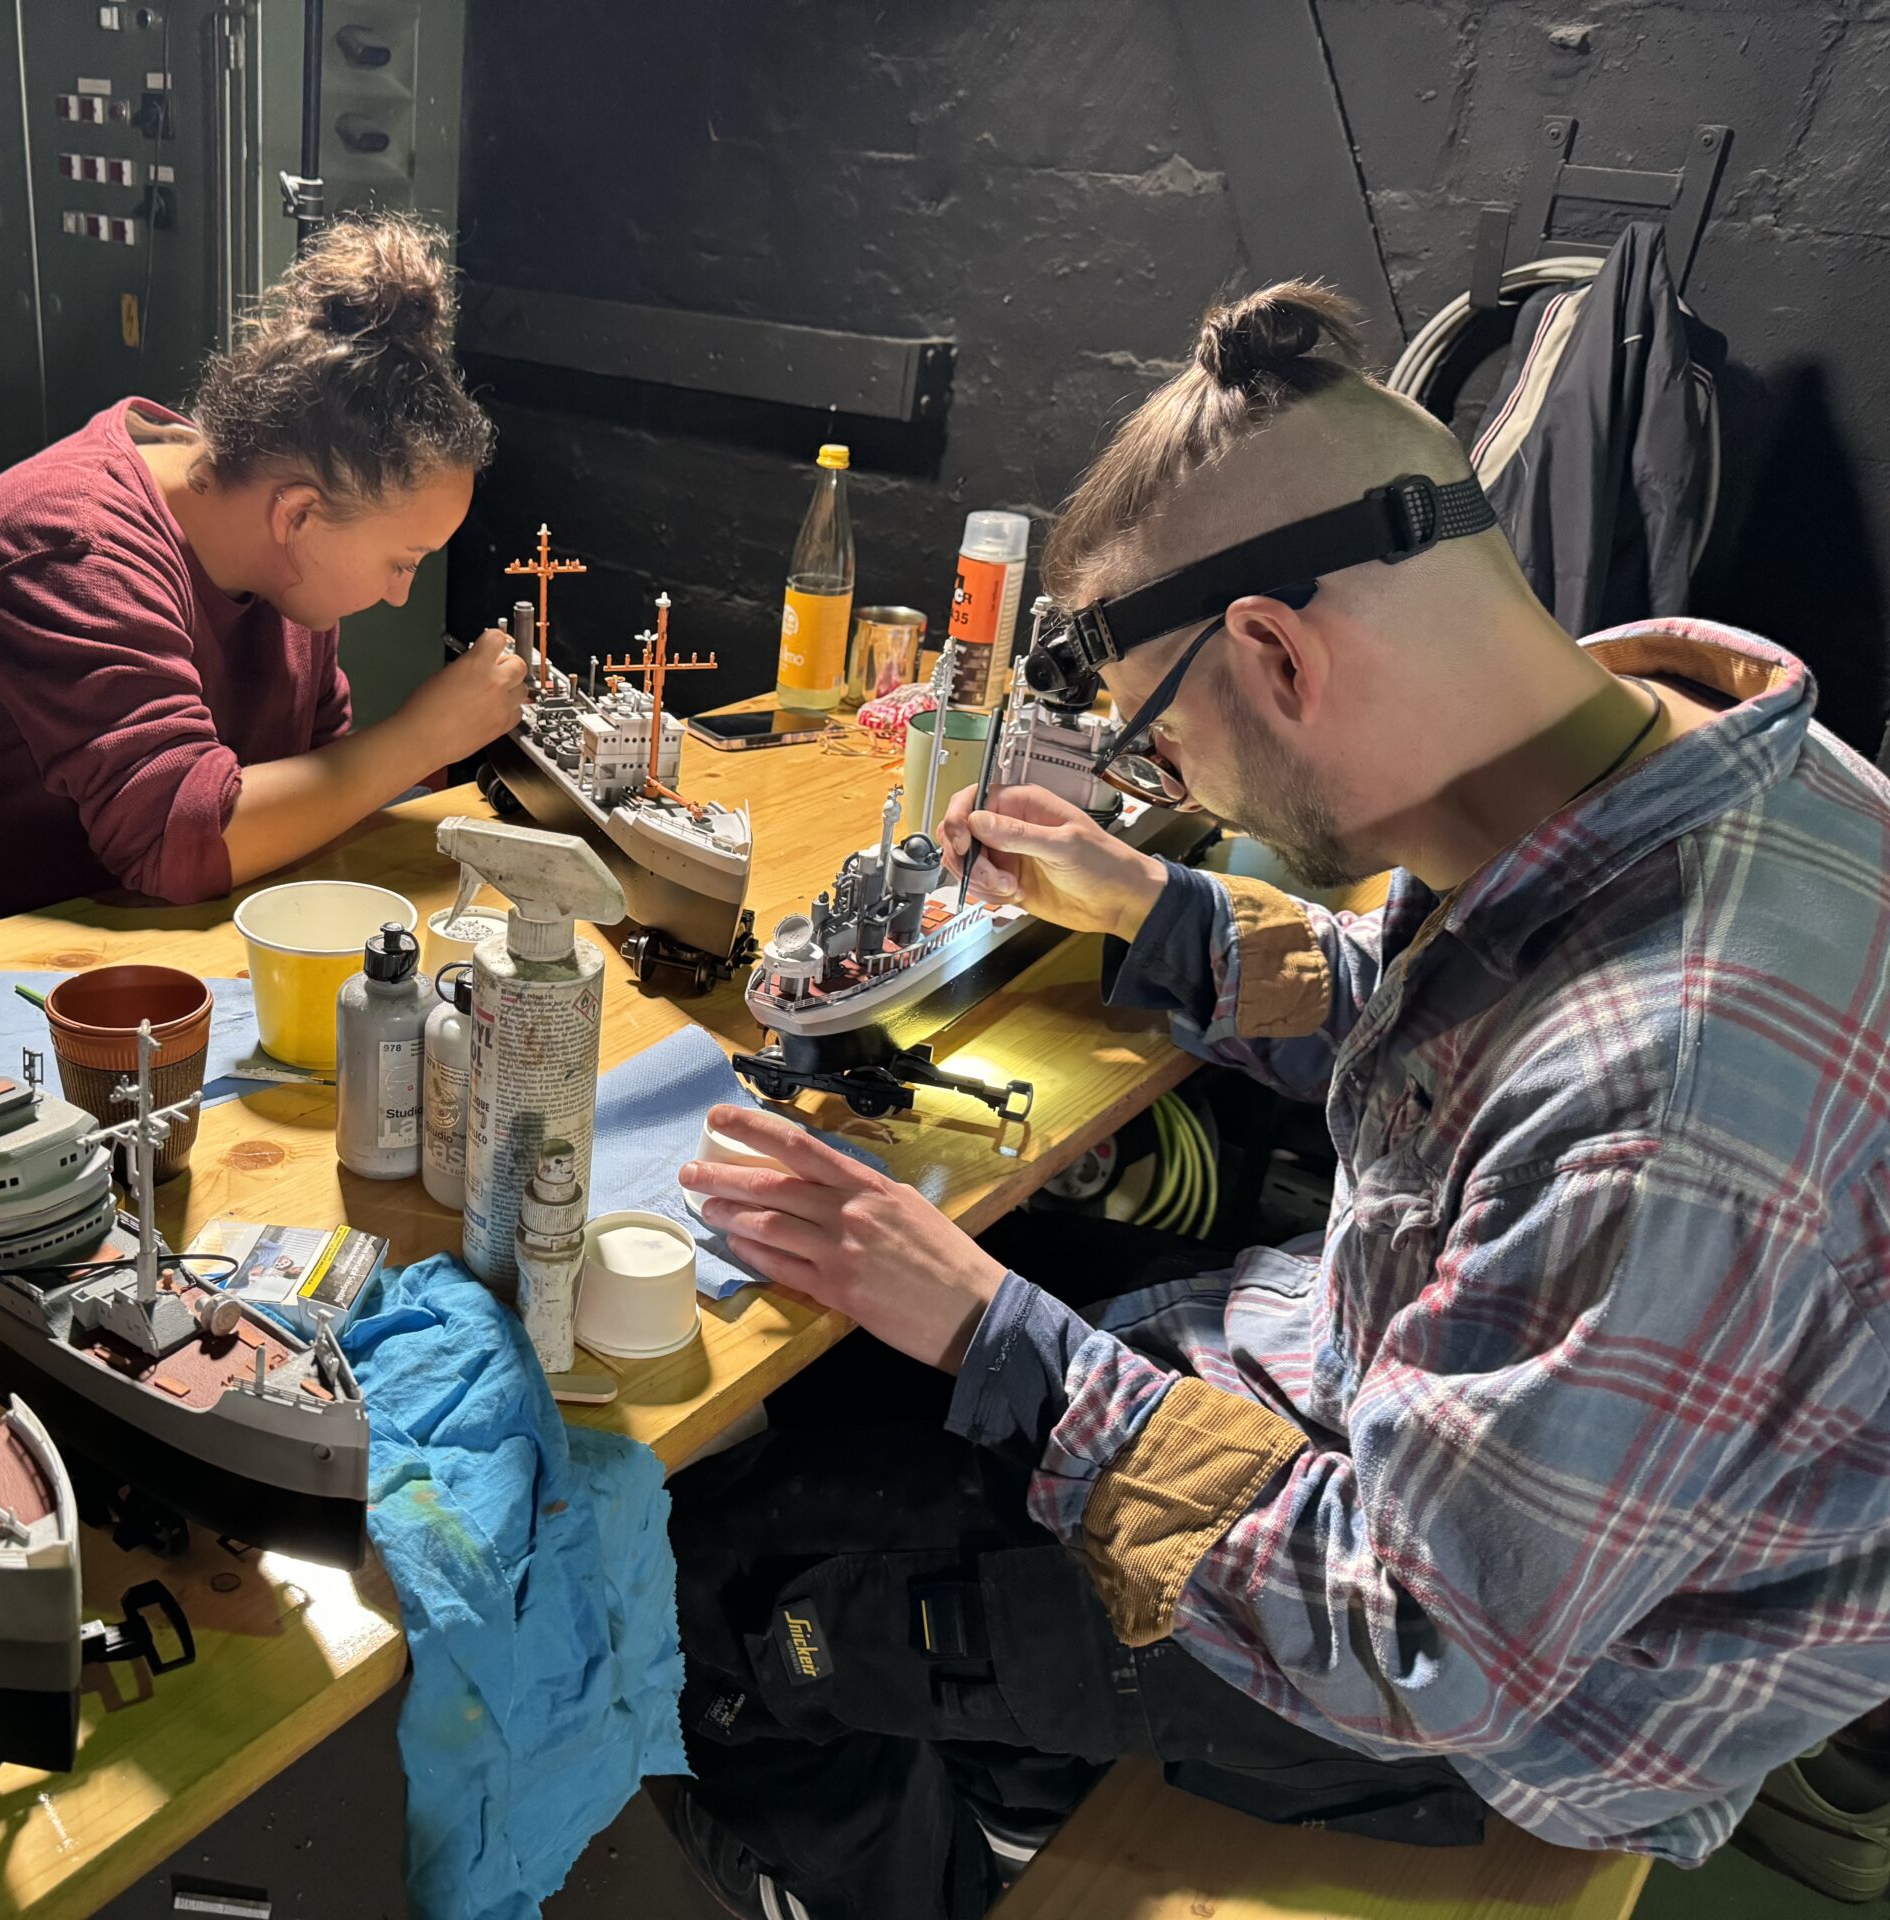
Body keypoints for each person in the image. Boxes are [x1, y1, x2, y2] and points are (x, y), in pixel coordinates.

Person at [658, 281, 1890, 1920]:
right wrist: (1146, 911)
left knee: (718, 1586)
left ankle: (988, 1831)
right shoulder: (1663, 767)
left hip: (1515, 1690)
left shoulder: (1662, 1098)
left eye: (1162, 748)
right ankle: (1012, 1729)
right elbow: (1436, 1016)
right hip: (1433, 1440)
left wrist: (983, 1325)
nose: (1179, 793)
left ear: (1275, 652)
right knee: (856, 1401)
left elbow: (1420, 1647)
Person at [0, 213, 527, 940]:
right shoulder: (73, 550)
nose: (399, 592)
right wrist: (424, 738)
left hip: (133, 915)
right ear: (298, 517)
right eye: (401, 561)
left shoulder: (279, 554)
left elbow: (314, 774)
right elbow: (180, 842)